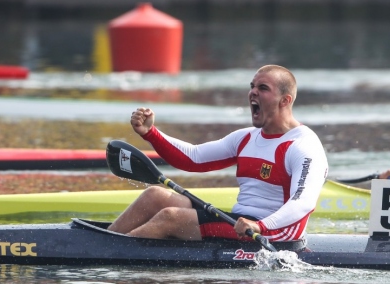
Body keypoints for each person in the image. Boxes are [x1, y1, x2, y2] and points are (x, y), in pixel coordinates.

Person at [107, 64, 329, 242]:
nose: (253, 92)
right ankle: (102, 241)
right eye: (252, 86)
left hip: (275, 232)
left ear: (285, 100)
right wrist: (150, 133)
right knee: (154, 196)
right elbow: (193, 158)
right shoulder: (246, 138)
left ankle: (105, 255)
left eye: (263, 88)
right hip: (241, 222)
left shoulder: (303, 146)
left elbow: (303, 202)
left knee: (170, 217)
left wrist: (260, 225)